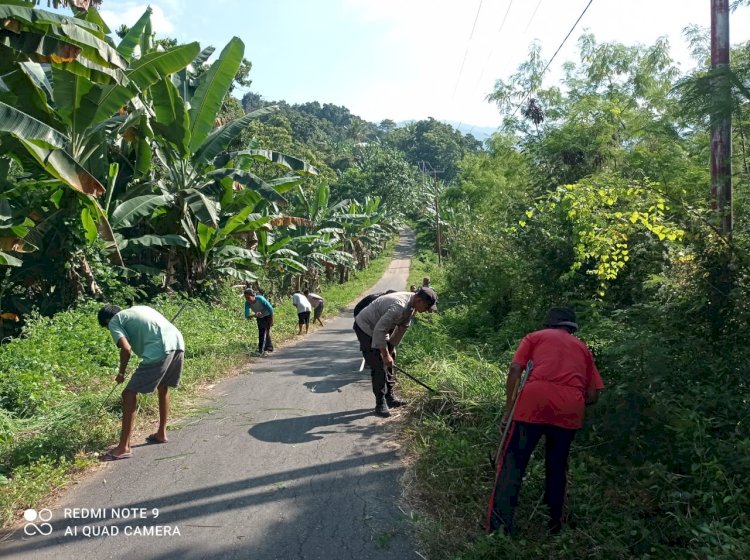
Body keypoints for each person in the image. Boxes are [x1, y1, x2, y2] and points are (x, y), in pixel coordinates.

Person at [487, 307, 604, 535]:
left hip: (533, 403)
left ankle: (500, 529)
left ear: (548, 323)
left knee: (513, 464)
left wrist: (508, 409)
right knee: (557, 466)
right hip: (569, 409)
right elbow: (593, 395)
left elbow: (515, 369)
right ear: (572, 327)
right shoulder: (583, 349)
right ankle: (554, 526)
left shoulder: (535, 337)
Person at [97, 304, 185, 461]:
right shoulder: (139, 309)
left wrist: (121, 373)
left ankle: (123, 447)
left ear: (107, 321)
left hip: (159, 348)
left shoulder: (114, 321)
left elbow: (126, 349)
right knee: (162, 387)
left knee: (128, 393)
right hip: (177, 343)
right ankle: (161, 433)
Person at [353, 287, 438, 417]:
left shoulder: (412, 306)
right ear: (419, 300)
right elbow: (379, 331)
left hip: (381, 328)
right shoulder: (399, 306)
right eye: (426, 307)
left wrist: (390, 351)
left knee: (390, 358)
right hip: (365, 327)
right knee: (379, 364)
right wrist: (385, 355)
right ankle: (380, 402)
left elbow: (401, 329)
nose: (426, 311)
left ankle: (390, 397)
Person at [244, 288, 274, 353]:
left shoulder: (260, 299)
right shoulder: (247, 303)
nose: (247, 300)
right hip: (260, 317)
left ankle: (267, 348)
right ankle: (263, 349)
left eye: (248, 297)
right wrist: (254, 315)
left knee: (266, 331)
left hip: (268, 315)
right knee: (261, 332)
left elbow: (271, 309)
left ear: (253, 295)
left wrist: (272, 320)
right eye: (246, 298)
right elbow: (247, 316)